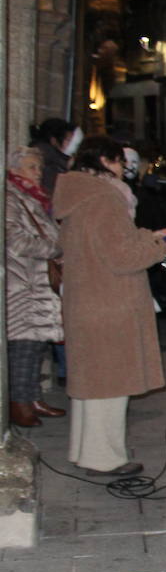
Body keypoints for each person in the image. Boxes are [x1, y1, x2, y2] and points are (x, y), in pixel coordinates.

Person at [52, 136, 166, 476]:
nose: (125, 169)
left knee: (92, 385)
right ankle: (105, 457)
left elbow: (103, 244)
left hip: (87, 299)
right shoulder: (104, 198)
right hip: (108, 303)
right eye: (120, 162)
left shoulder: (80, 196)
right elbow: (121, 257)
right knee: (110, 384)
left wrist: (149, 236)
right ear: (106, 161)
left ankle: (86, 451)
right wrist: (160, 248)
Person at [5, 147, 64, 428]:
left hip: (37, 285)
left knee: (36, 347)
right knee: (23, 347)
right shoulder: (10, 198)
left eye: (39, 168)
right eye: (31, 167)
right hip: (22, 286)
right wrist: (55, 247)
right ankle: (19, 403)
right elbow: (15, 240)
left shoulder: (32, 197)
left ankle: (32, 397)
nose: (38, 173)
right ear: (15, 170)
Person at [29, 118, 79, 198]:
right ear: (54, 141)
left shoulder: (56, 160)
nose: (72, 145)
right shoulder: (50, 163)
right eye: (68, 140)